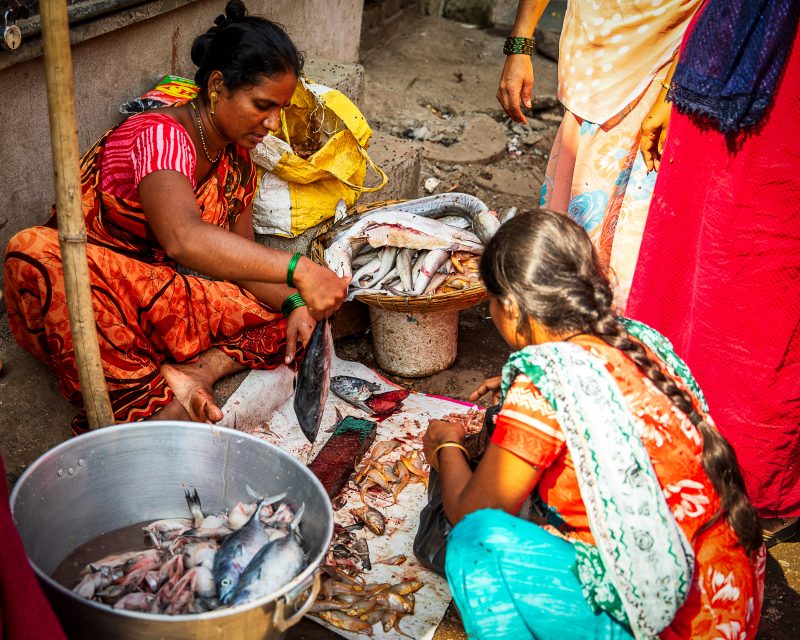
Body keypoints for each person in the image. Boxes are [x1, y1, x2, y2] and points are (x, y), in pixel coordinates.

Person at [3, 0, 348, 433]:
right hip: (91, 298)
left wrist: (295, 301)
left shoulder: (237, 156)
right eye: (263, 105)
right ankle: (149, 394)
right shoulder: (159, 135)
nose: (273, 124)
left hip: (158, 297)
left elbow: (243, 261)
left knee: (296, 323)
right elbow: (182, 238)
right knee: (32, 251)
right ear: (218, 85)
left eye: (279, 108)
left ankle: (197, 374)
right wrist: (299, 269)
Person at [423, 211, 765, 639]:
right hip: (730, 599)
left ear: (510, 308)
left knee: (475, 543)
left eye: (490, 301)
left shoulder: (544, 386)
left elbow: (470, 509)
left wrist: (445, 446)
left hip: (669, 623)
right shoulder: (638, 339)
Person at [628, 0, 800, 545]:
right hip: (717, 70)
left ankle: (750, 489)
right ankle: (677, 449)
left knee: (760, 292)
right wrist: (668, 91)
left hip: (782, 106)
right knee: (683, 267)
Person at [497, 0, 701, 308]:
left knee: (636, 233)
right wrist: (519, 46)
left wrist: (672, 91)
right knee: (577, 211)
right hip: (593, 61)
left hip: (665, 60)